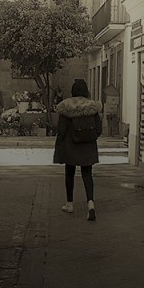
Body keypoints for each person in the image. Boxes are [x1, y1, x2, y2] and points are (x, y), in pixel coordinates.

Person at [53, 78, 103, 221]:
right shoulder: (92, 107)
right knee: (87, 175)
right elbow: (98, 129)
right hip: (88, 146)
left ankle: (69, 204)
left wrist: (59, 144)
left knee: (69, 174)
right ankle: (90, 204)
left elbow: (61, 130)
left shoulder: (66, 107)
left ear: (73, 91)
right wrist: (90, 138)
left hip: (71, 146)